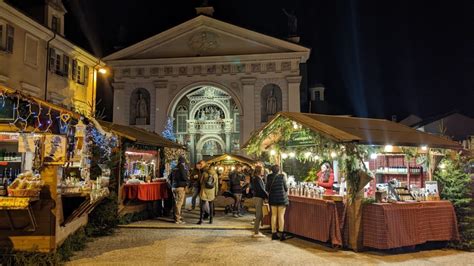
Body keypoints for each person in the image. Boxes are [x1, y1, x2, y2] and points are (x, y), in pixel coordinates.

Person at [266, 165, 288, 241]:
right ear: (279, 170)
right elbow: (286, 188)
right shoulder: (282, 176)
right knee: (281, 215)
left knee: (274, 215)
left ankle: (274, 233)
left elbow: (267, 188)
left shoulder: (269, 177)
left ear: (272, 170)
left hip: (273, 198)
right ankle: (281, 234)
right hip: (281, 198)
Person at [169, 156, 189, 224]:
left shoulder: (174, 167)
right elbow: (184, 177)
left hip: (174, 187)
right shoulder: (181, 167)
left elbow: (170, 177)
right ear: (183, 162)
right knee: (179, 203)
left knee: (176, 203)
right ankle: (177, 219)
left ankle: (176, 216)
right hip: (180, 187)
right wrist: (187, 181)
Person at [252, 165, 268, 238]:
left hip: (258, 197)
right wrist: (267, 196)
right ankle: (256, 232)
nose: (263, 171)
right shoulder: (257, 179)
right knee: (259, 214)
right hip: (259, 198)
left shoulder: (257, 178)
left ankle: (257, 231)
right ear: (259, 171)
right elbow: (261, 189)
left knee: (259, 214)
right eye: (262, 170)